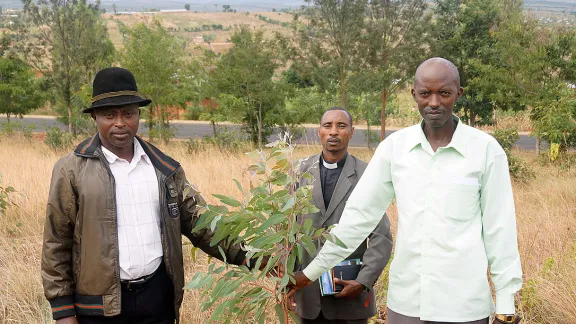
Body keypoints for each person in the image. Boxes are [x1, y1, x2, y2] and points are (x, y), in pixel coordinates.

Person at [289, 58, 523, 324]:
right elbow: (356, 220)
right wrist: (310, 273)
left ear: (458, 94)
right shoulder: (394, 149)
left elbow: (499, 229)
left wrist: (506, 301)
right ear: (414, 95)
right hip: (406, 304)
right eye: (425, 94)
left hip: (464, 305)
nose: (434, 102)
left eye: (444, 93)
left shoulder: (485, 151)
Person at [41, 67, 252, 324]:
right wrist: (63, 311)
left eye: (128, 113)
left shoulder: (165, 168)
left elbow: (202, 224)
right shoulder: (71, 169)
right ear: (95, 116)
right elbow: (56, 242)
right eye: (110, 115)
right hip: (98, 307)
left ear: (138, 115)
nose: (120, 123)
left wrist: (252, 257)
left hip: (157, 300)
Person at [294, 107, 392, 324]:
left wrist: (363, 281)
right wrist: (286, 281)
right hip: (305, 297)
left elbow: (381, 236)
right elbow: (285, 231)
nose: (333, 132)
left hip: (349, 295)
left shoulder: (367, 174)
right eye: (327, 126)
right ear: (319, 131)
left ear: (352, 131)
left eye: (341, 126)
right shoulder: (298, 171)